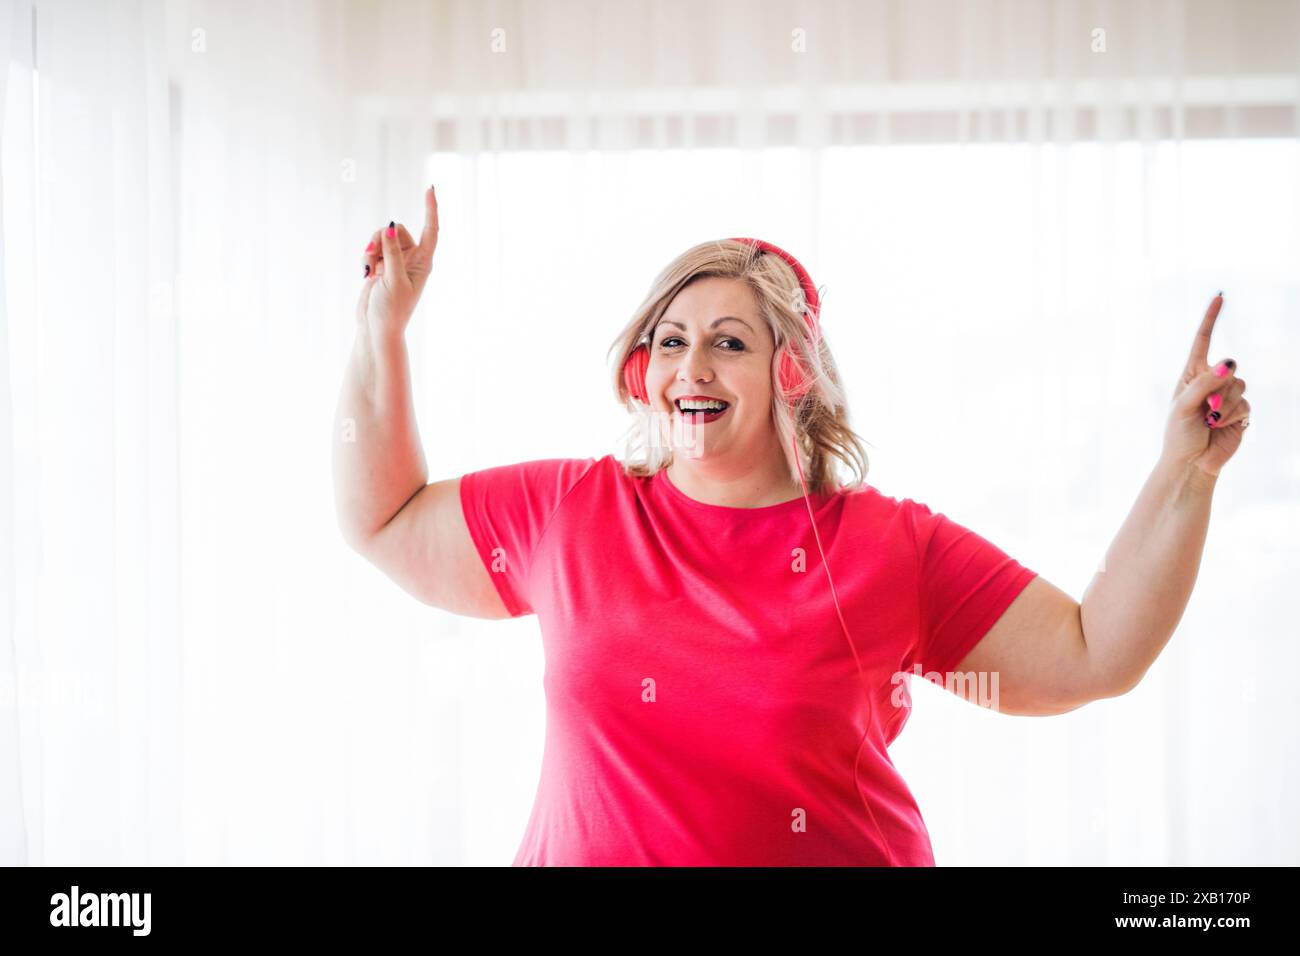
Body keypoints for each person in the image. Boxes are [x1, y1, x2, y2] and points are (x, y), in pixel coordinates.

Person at [333, 186, 1250, 866]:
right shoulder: (571, 513)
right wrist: (383, 332)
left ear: (792, 373)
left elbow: (1095, 654)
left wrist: (1187, 471)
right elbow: (384, 518)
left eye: (730, 341)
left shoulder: (890, 548)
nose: (692, 366)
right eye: (672, 339)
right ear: (641, 371)